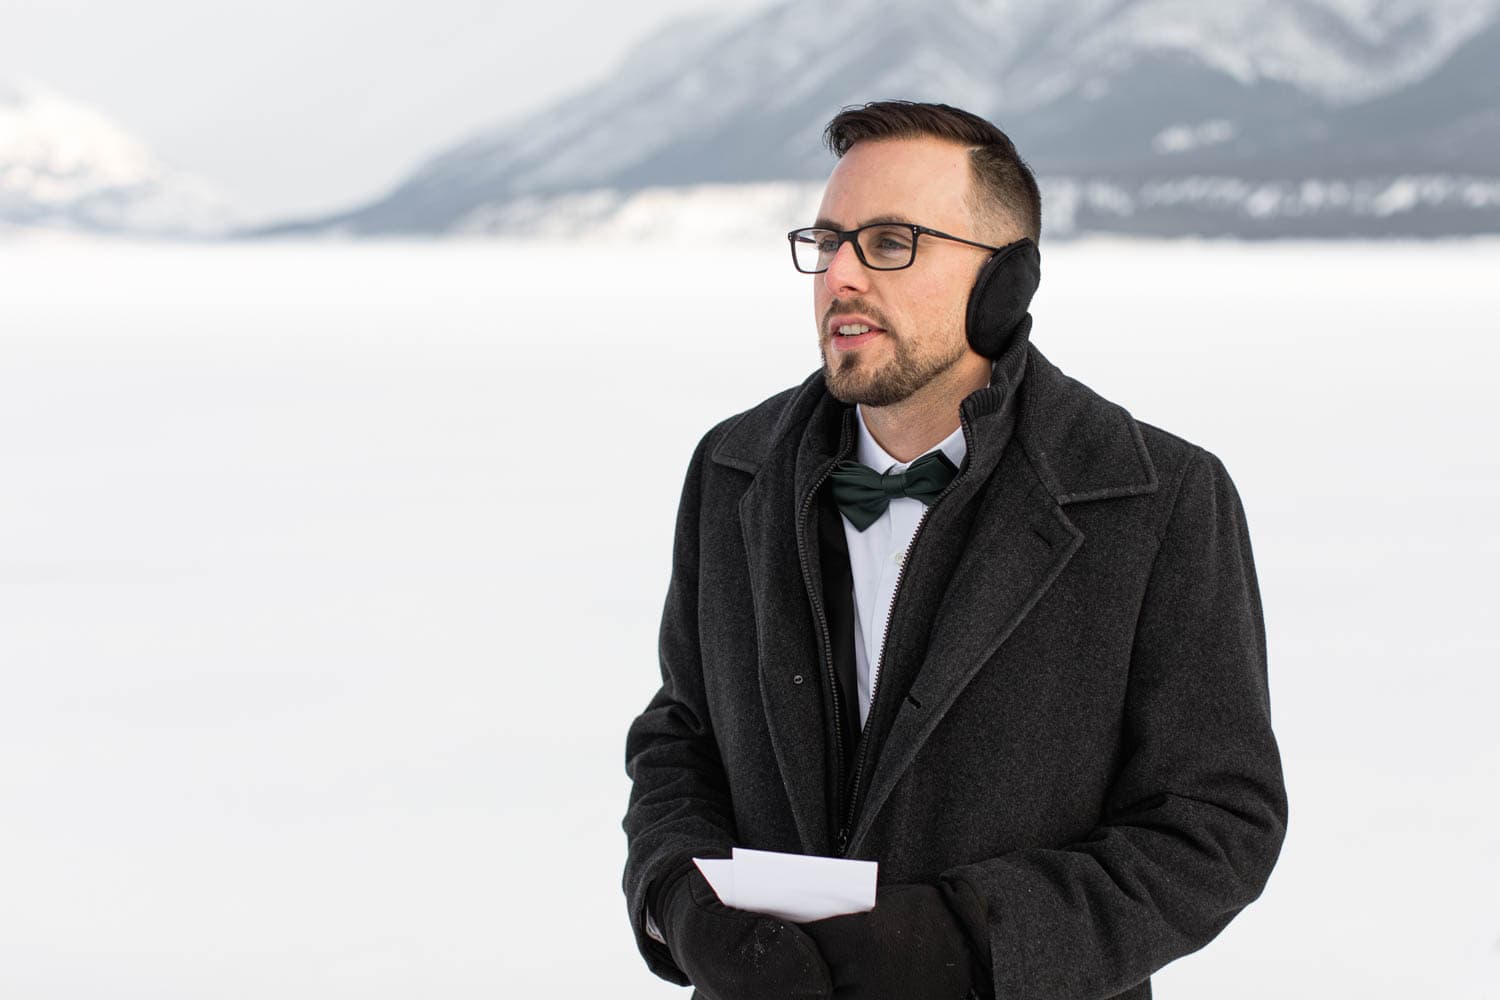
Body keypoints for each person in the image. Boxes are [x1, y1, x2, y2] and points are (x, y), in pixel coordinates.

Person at [621, 100, 1287, 1000]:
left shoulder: (1158, 499)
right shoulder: (732, 470)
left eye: (891, 242)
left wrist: (965, 942)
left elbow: (1214, 825)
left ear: (1005, 281)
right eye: (828, 243)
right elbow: (681, 737)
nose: (842, 277)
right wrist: (680, 903)